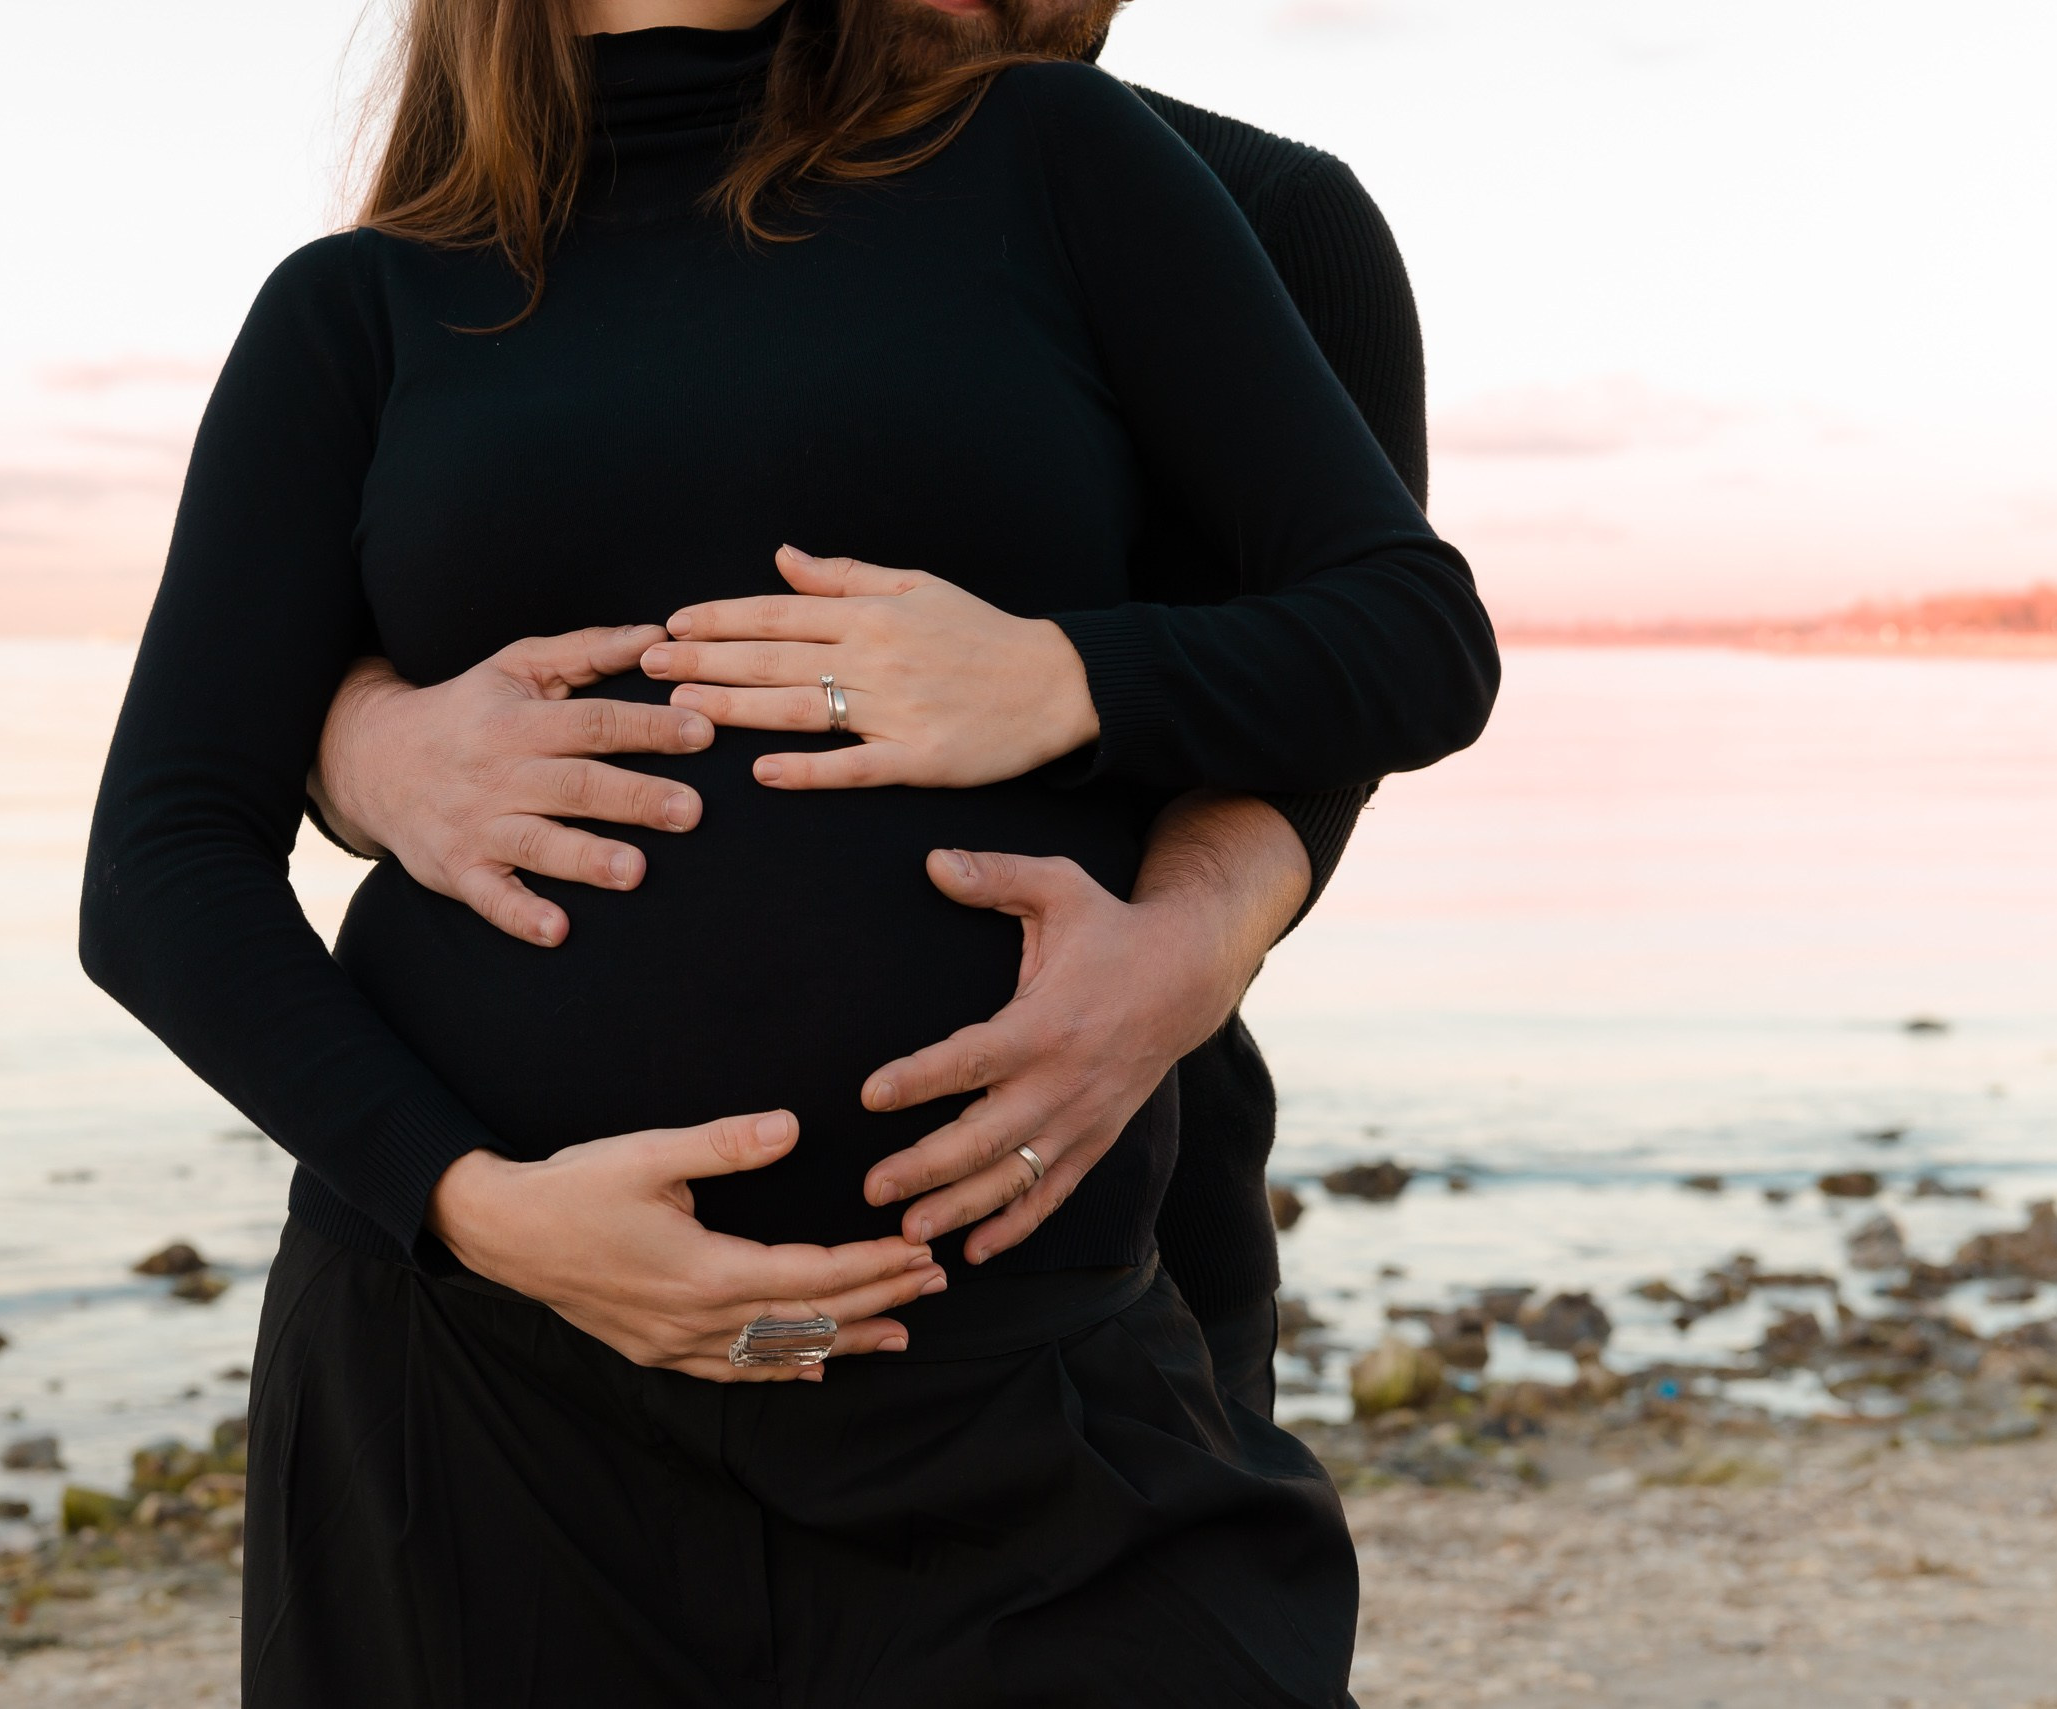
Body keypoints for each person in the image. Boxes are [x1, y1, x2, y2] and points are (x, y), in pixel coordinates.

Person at [79, 0, 1495, 1699]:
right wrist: (472, 1206)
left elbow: (1409, 637)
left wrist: (1060, 678)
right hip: (479, 1400)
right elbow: (162, 856)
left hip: (1014, 1376)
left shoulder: (1066, 163)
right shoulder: (363, 302)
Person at [303, 0, 1436, 1418]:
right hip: (511, 1322)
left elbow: (1351, 683)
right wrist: (359, 745)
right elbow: (344, 628)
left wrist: (1186, 942)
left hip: (1073, 1211)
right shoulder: (570, 220)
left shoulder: (1251, 206)